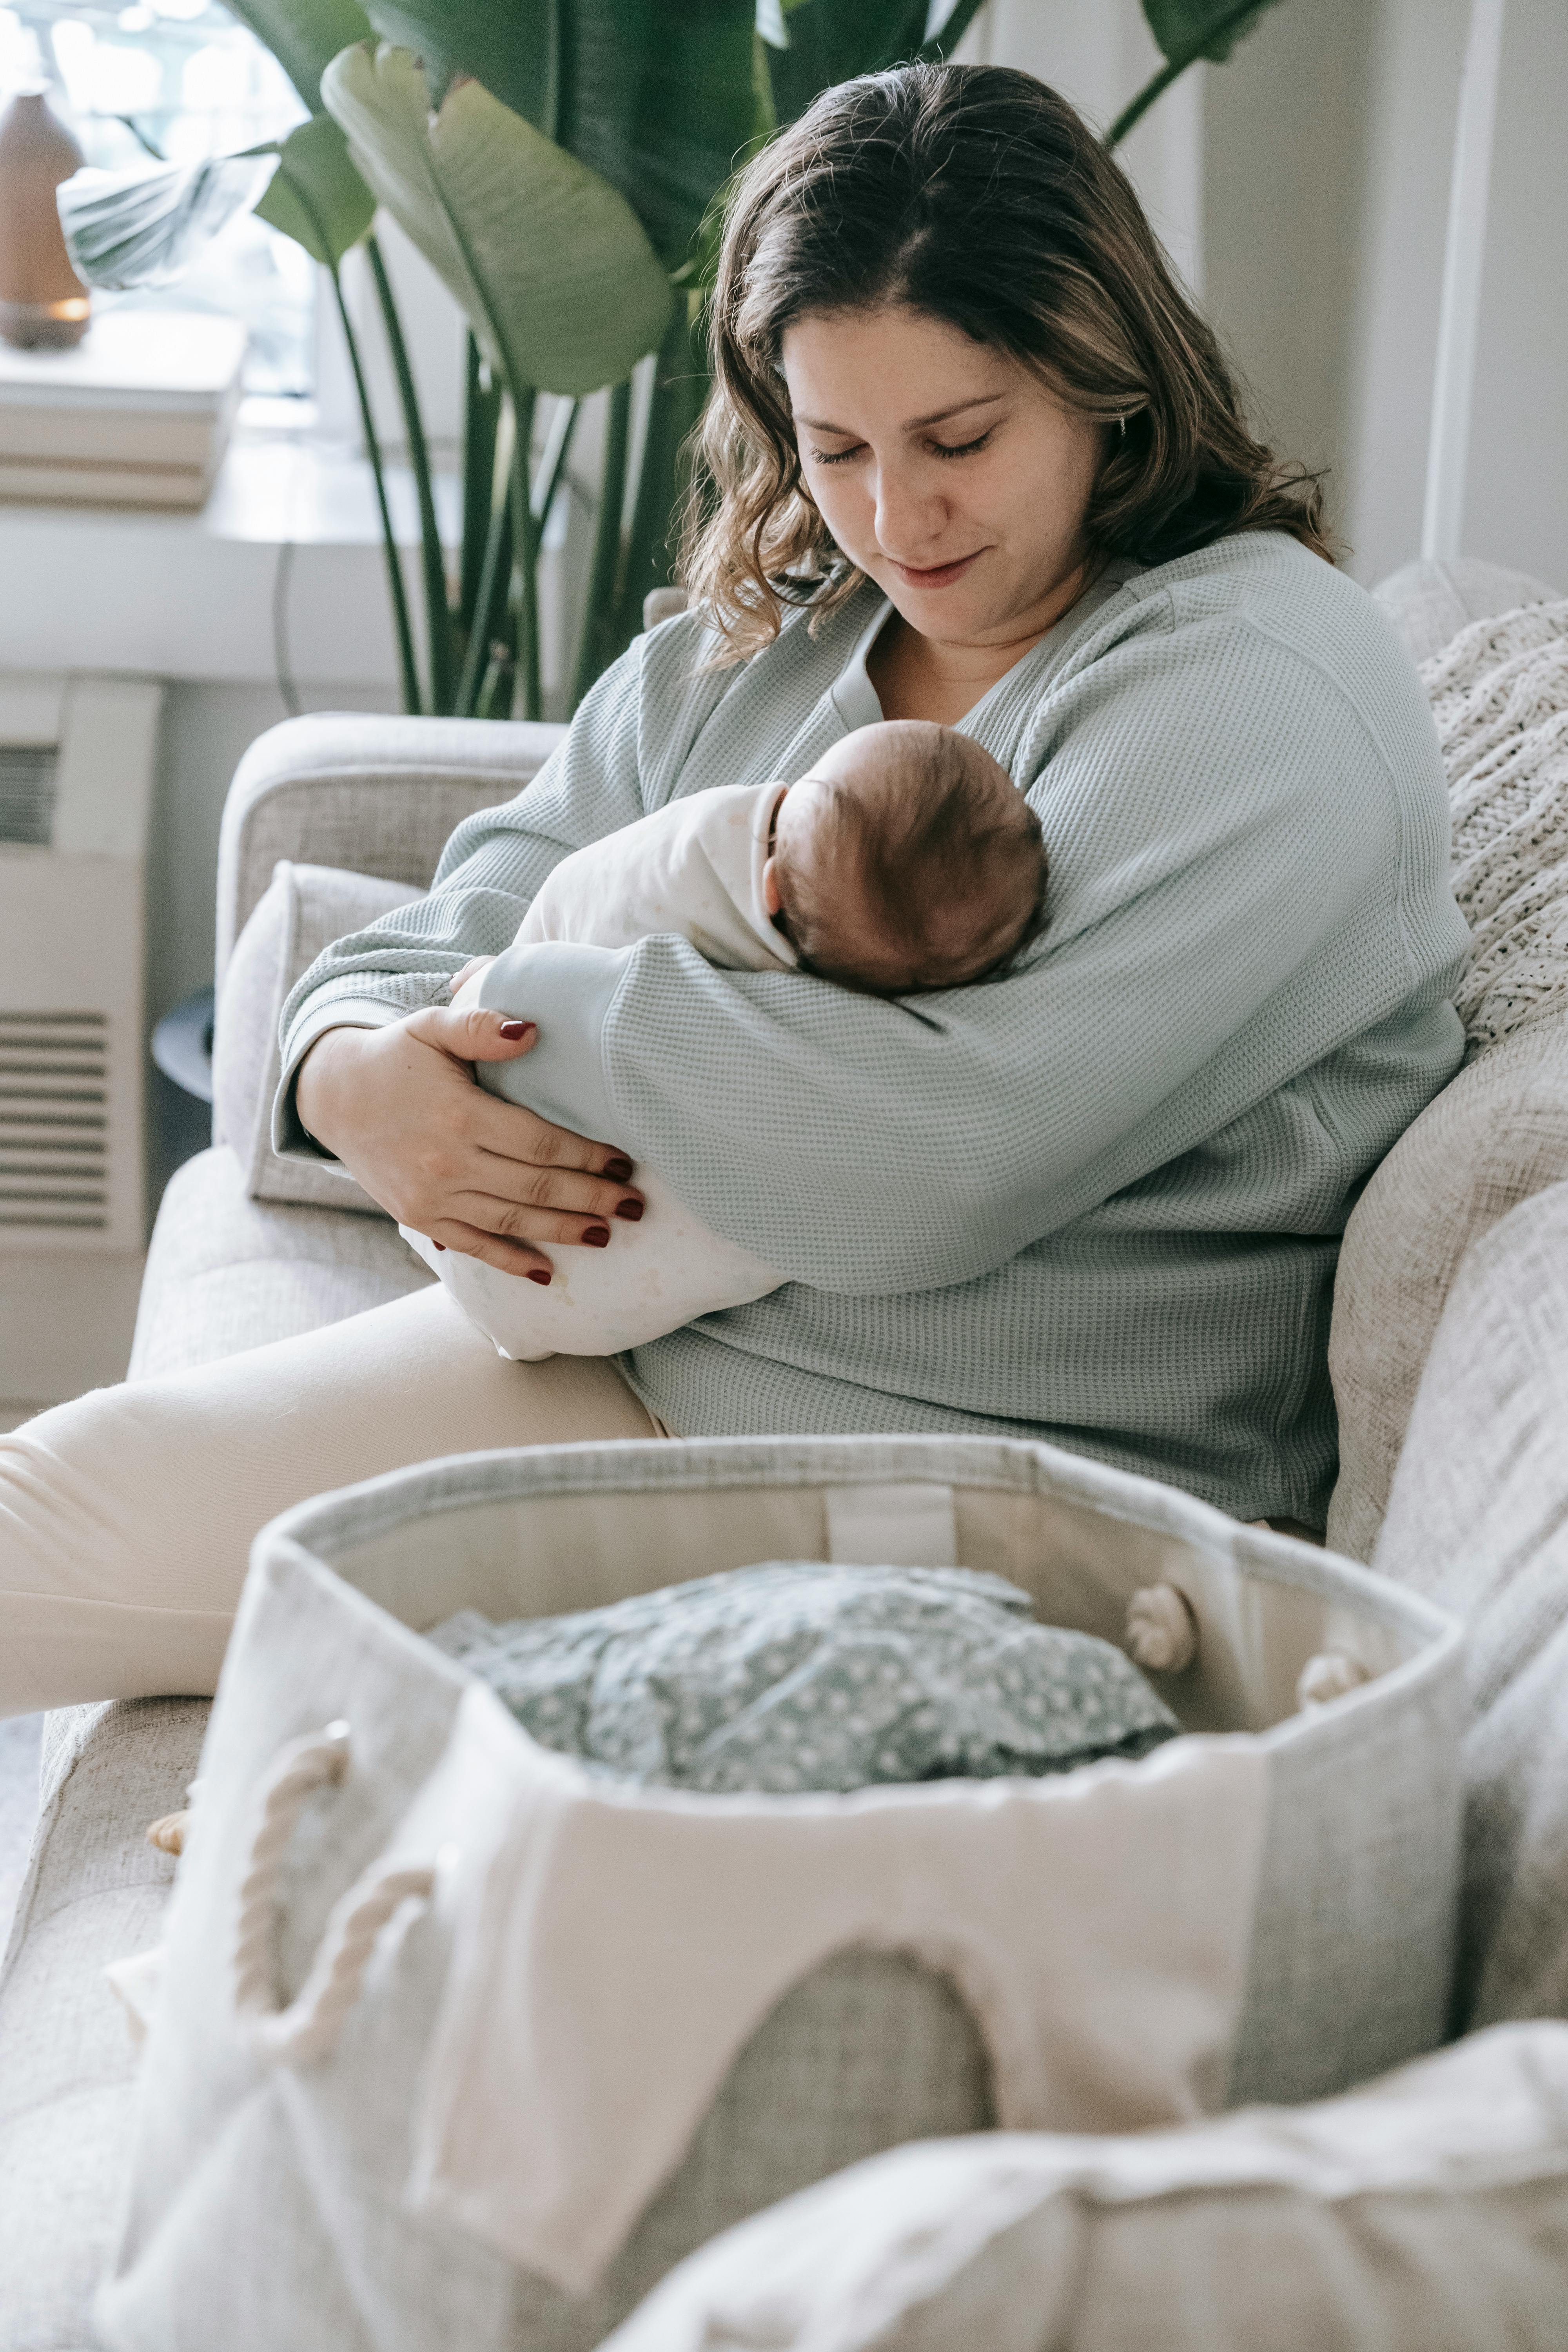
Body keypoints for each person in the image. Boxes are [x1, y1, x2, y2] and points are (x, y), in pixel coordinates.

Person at [0, 61, 1469, 1713]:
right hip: (641, 1361)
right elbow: (463, 908)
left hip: (987, 1487)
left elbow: (928, 1162)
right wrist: (352, 1077)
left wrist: (520, 1017)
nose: (893, 516)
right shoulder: (768, 642)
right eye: (833, 443)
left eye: (958, 439)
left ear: (1102, 379)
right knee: (34, 1527)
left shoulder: (1257, 684)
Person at [410, 720, 1045, 1361]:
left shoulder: (697, 867)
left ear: (769, 885)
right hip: (565, 1297)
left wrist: (503, 980)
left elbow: (581, 897)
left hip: (513, 1249)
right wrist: (338, 1060)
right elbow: (455, 907)